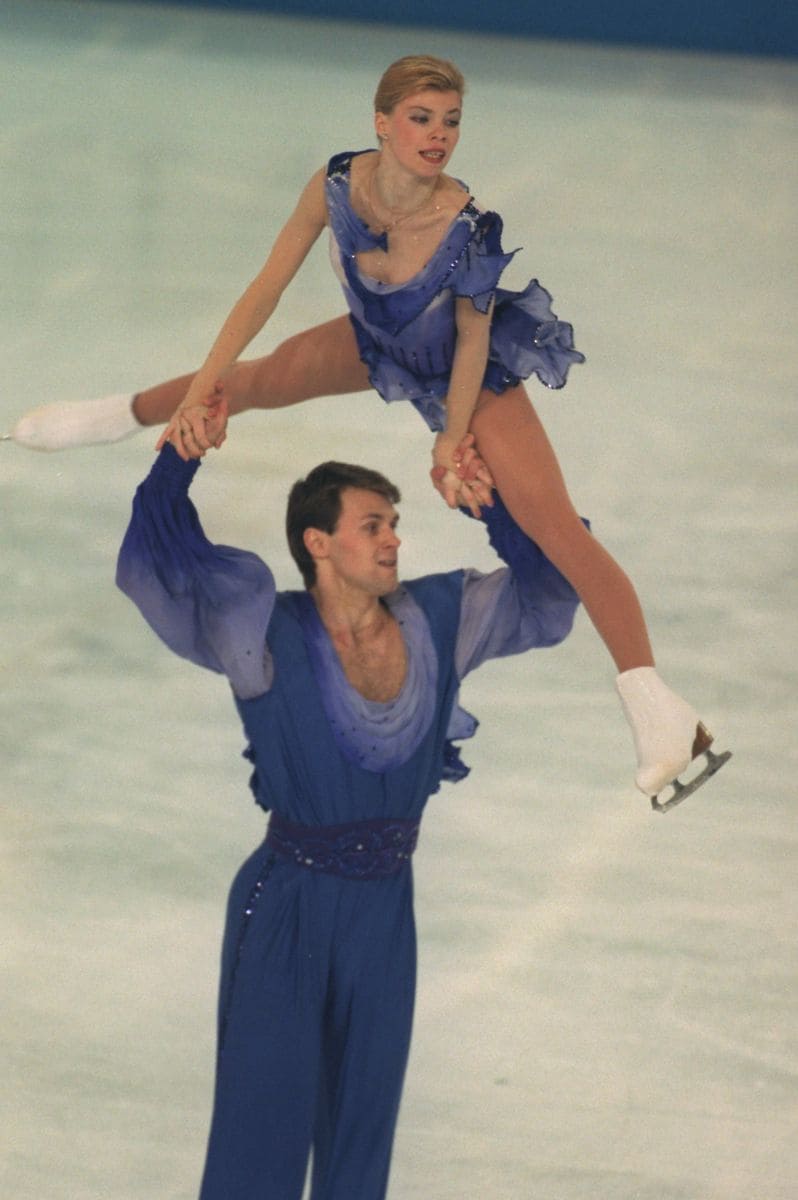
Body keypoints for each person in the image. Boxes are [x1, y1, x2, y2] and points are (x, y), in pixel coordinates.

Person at [10, 54, 727, 802]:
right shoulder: (335, 186)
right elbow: (265, 287)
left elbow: (473, 341)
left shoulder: (468, 226)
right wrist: (199, 390)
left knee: (553, 528)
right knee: (252, 379)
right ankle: (115, 413)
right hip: (375, 342)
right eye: (422, 118)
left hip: (467, 375)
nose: (439, 135)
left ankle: (659, 710)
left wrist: (451, 439)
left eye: (451, 121)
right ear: (381, 123)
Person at [116, 403, 584, 1199]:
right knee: (258, 1143)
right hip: (287, 909)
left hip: (383, 914)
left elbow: (555, 588)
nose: (394, 538)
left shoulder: (443, 617)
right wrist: (179, 460)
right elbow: (160, 564)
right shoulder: (258, 633)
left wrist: (494, 509)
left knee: (362, 1142)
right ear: (318, 544)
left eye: (394, 522)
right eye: (373, 525)